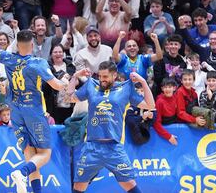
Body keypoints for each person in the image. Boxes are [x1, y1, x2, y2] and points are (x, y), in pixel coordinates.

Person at [0, 30, 71, 193]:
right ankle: (21, 173)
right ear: (32, 45)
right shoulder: (38, 62)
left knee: (31, 155)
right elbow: (56, 85)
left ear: (17, 45)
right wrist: (64, 82)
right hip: (33, 111)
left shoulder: (7, 58)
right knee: (45, 154)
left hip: (15, 111)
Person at [64, 61, 155, 193]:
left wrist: (143, 82)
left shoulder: (126, 88)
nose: (102, 80)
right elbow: (68, 98)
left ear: (114, 75)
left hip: (114, 147)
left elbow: (150, 105)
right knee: (78, 187)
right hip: (92, 147)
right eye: (100, 76)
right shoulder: (91, 85)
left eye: (105, 77)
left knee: (129, 184)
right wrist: (75, 77)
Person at [43, 44, 76, 124]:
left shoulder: (71, 66)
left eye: (60, 52)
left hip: (69, 104)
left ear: (63, 53)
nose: (58, 54)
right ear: (51, 54)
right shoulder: (46, 67)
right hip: (53, 105)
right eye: (55, 52)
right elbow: (44, 86)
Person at [154, 77, 178, 145]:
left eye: (170, 87)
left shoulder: (176, 97)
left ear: (174, 88)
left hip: (175, 126)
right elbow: (156, 123)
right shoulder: (159, 102)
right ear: (162, 89)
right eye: (165, 87)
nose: (167, 89)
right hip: (164, 131)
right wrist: (168, 136)